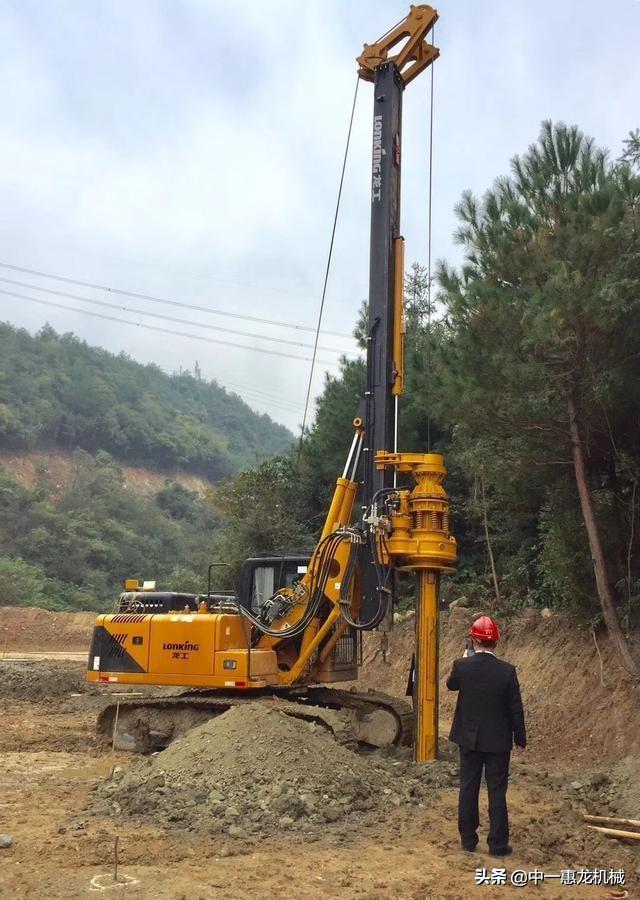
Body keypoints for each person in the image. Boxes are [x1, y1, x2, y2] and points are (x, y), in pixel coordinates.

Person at [446, 615, 526, 857]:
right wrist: (520, 738)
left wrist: (465, 656)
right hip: (498, 742)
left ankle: (468, 840)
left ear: (473, 639)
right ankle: (498, 845)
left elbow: (451, 685)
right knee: (496, 790)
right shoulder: (507, 672)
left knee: (468, 787)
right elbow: (515, 708)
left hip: (468, 738)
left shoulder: (462, 666)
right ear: (496, 642)